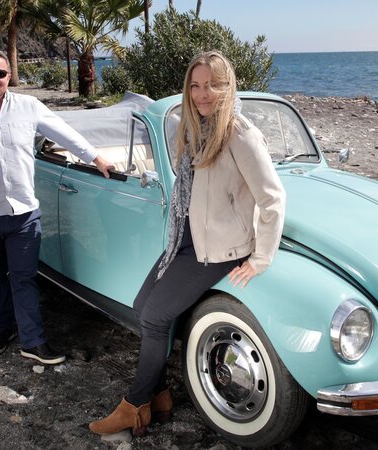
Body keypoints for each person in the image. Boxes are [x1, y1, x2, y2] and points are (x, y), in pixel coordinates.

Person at [89, 51, 287, 437]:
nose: (202, 94)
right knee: (142, 307)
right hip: (186, 240)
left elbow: (273, 197)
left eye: (211, 85)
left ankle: (135, 406)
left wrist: (261, 258)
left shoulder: (239, 133)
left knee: (155, 317)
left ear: (227, 87)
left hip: (219, 249)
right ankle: (160, 395)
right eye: (195, 86)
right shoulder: (197, 129)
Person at [0, 48, 113, 365]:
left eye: (0, 73)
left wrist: (97, 159)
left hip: (23, 215)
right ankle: (1, 330)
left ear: (9, 76)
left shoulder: (28, 106)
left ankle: (33, 341)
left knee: (24, 278)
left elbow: (65, 134)